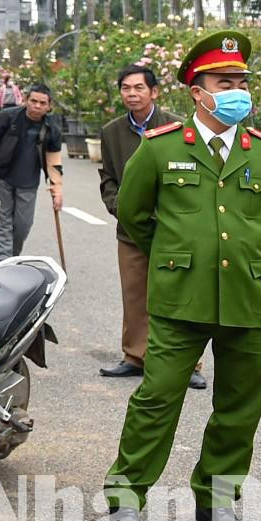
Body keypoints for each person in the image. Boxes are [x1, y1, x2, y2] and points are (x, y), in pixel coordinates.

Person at [103, 32, 261, 521]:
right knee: (157, 398)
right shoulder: (162, 148)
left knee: (240, 406)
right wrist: (177, 259)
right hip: (179, 300)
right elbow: (134, 213)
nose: (236, 90)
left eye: (241, 82)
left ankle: (216, 498)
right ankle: (126, 499)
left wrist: (238, 265)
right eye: (223, 81)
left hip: (248, 301)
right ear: (198, 90)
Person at [96, 64, 206, 389]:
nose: (132, 94)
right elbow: (108, 179)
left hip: (175, 231)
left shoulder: (178, 127)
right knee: (134, 295)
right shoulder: (111, 132)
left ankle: (190, 364)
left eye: (139, 88)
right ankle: (134, 356)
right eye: (126, 88)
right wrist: (122, 209)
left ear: (154, 91)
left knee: (181, 296)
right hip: (131, 231)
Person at [0, 83, 66, 259]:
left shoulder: (51, 129)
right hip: (1, 177)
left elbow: (54, 159)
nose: (37, 106)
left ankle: (11, 257)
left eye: (42, 103)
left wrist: (57, 189)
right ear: (26, 100)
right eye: (33, 101)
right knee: (4, 224)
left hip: (28, 182)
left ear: (49, 106)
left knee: (23, 226)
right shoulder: (7, 117)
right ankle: (4, 263)